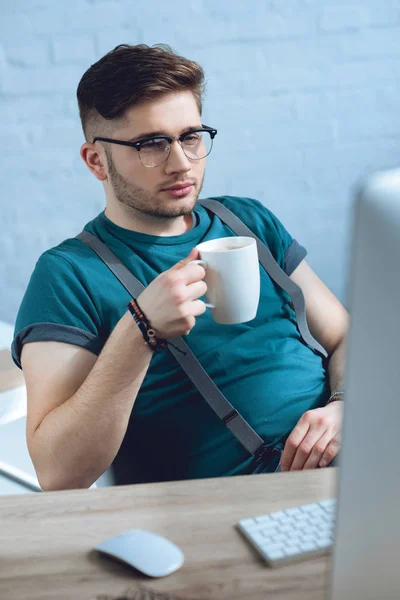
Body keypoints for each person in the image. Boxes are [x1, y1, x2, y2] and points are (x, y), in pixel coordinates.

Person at [12, 44, 348, 491]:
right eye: (150, 144)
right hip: (239, 503)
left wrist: (346, 404)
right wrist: (139, 328)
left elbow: (346, 334)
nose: (181, 162)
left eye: (190, 136)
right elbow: (59, 473)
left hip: (355, 456)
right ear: (96, 161)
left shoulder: (246, 220)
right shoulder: (68, 275)